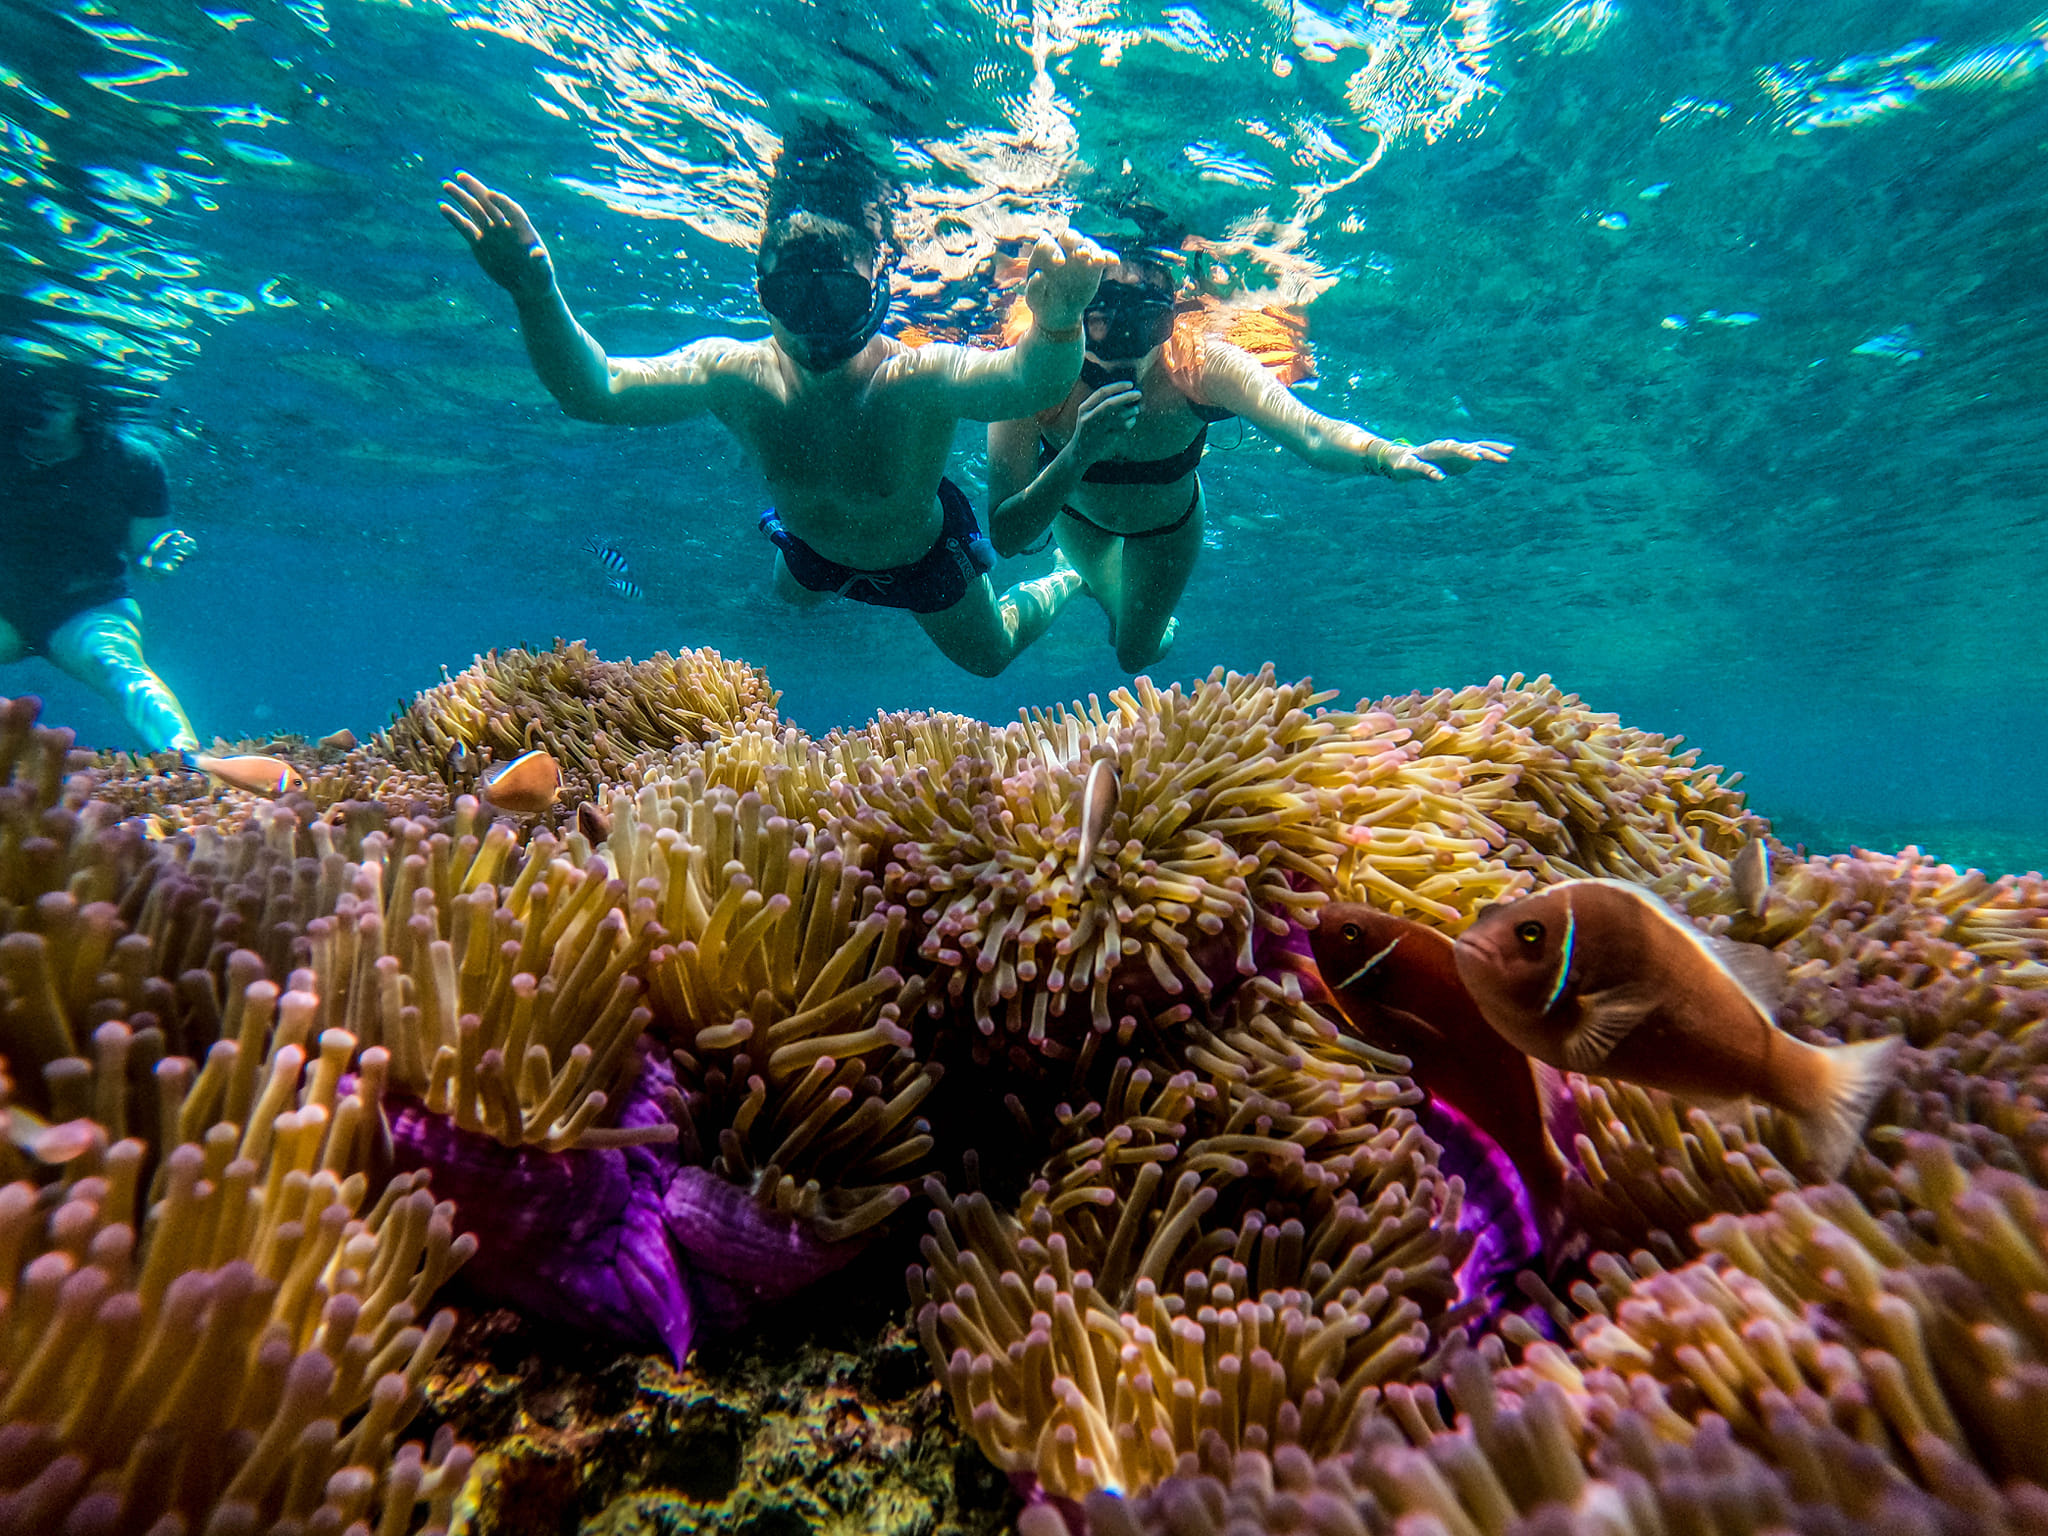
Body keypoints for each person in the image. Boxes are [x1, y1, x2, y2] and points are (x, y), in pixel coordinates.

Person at [439, 131, 1113, 678]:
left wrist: (1058, 322)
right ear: (763, 294)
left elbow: (1031, 385)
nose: (816, 325)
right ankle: (817, 583)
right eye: (795, 297)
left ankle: (1065, 579)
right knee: (789, 606)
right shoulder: (735, 373)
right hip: (811, 552)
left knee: (990, 657)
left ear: (878, 291)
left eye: (838, 298)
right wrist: (535, 294)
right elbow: (596, 391)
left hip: (920, 560)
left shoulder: (917, 375)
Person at [987, 248, 1515, 672]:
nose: (1121, 349)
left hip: (1167, 529)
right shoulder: (1030, 372)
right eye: (1101, 323)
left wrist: (1391, 455)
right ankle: (1068, 578)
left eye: (1147, 324)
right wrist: (1079, 452)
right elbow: (1009, 535)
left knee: (1134, 655)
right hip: (1077, 521)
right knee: (1112, 610)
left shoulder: (1197, 363)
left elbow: (1308, 429)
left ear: (1172, 317)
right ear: (1075, 310)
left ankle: (1090, 584)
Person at [0, 364, 200, 752]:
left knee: (118, 669)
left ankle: (192, 765)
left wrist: (158, 559)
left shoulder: (132, 460)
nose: (36, 418)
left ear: (83, 407)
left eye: (53, 405)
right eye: (25, 403)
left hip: (88, 608)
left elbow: (146, 551)